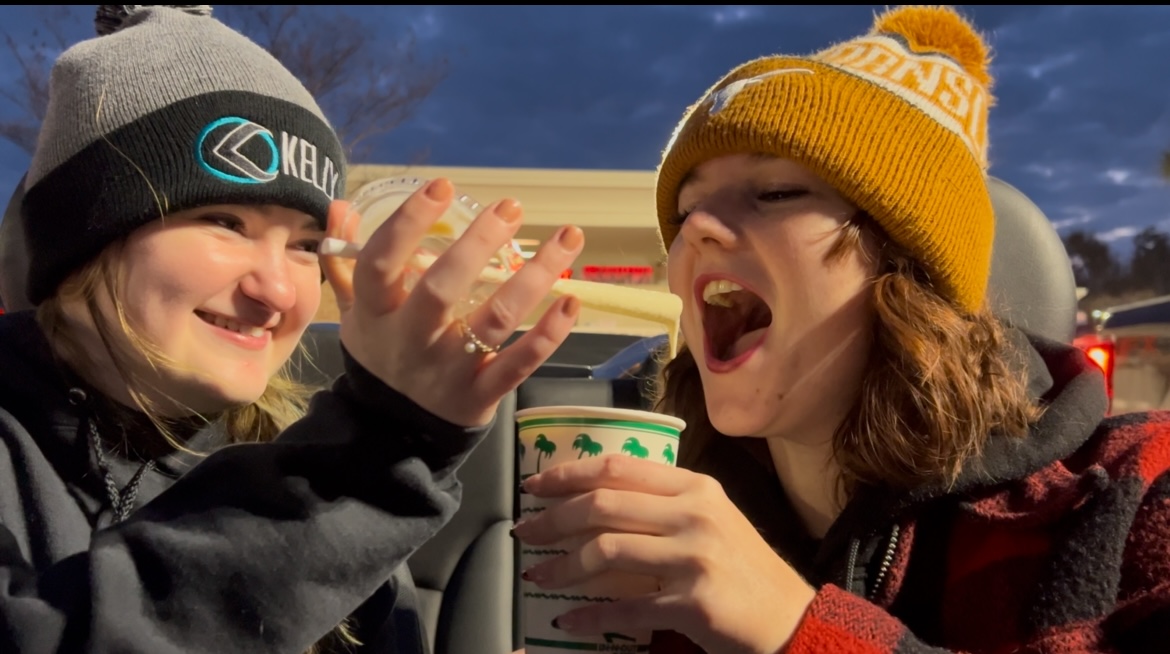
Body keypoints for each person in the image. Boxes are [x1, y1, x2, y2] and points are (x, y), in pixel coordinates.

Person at [513, 5, 1170, 653]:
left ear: (908, 271)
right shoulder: (658, 529)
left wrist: (796, 628)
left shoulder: (1136, 497)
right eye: (686, 210)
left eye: (774, 191)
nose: (695, 233)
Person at [0, 5, 583, 654]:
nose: (276, 291)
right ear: (82, 241)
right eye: (224, 222)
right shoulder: (350, 478)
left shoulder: (313, 461)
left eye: (307, 246)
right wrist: (379, 459)